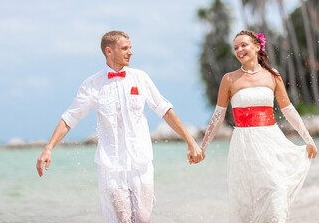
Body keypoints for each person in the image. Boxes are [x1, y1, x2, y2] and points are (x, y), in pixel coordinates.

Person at [36, 31, 204, 223]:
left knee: (143, 220)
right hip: (112, 167)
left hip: (141, 164)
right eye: (125, 48)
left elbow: (165, 110)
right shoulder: (92, 85)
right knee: (123, 220)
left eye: (130, 47)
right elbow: (69, 119)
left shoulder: (140, 78)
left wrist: (191, 142)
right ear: (109, 51)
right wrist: (48, 148)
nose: (130, 52)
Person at [200, 30, 317, 222]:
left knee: (277, 189)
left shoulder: (273, 75)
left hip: (271, 141)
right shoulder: (229, 79)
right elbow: (218, 116)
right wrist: (202, 147)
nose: (239, 50)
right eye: (236, 47)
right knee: (247, 202)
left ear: (257, 46)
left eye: (244, 45)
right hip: (244, 146)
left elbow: (288, 110)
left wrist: (308, 139)